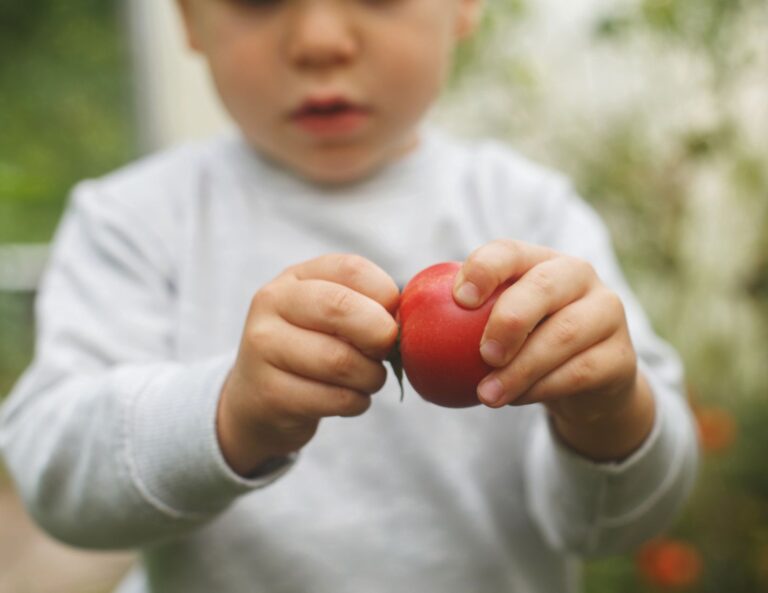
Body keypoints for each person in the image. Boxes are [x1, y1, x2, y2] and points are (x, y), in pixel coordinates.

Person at [0, 1, 699, 592]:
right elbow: (54, 475)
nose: (320, 42)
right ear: (188, 17)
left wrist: (604, 410)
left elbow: (623, 521)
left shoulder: (535, 214)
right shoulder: (133, 222)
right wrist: (228, 413)